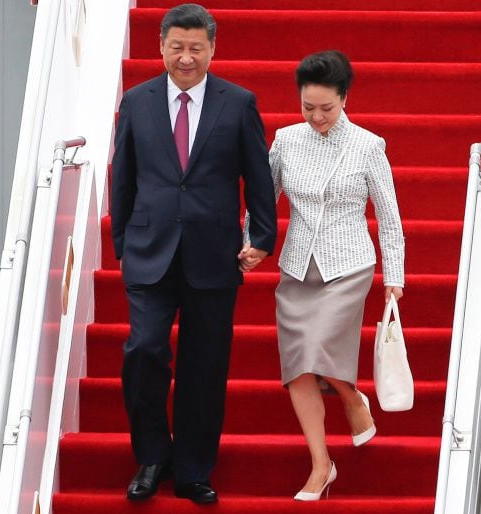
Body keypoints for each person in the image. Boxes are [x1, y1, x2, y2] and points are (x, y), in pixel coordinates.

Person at [110, 3, 277, 505]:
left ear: (212, 49)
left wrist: (262, 238)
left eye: (196, 48)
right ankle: (152, 456)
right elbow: (123, 176)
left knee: (206, 365)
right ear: (160, 46)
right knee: (144, 350)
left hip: (213, 254)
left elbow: (258, 176)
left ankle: (193, 468)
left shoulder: (238, 102)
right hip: (149, 250)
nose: (186, 57)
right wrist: (122, 244)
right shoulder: (136, 102)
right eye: (177, 47)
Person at [243, 50, 405, 501]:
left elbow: (389, 217)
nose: (316, 117)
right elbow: (263, 200)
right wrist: (250, 242)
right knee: (297, 366)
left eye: (326, 108)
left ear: (345, 99)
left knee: (317, 350)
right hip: (297, 266)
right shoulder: (286, 140)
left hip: (348, 264)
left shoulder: (369, 146)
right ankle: (321, 465)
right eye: (308, 107)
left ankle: (352, 400)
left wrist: (395, 274)